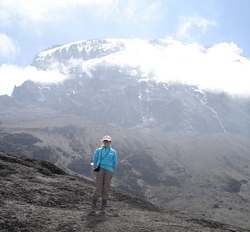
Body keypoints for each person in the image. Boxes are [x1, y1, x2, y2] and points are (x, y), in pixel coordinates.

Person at [90, 135, 118, 215]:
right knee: (98, 186)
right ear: (103, 142)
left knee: (106, 187)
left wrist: (112, 167)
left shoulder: (113, 152)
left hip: (109, 170)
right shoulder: (98, 150)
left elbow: (115, 161)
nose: (106, 142)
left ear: (110, 142)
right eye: (105, 141)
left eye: (107, 141)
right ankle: (93, 207)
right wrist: (96, 165)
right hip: (101, 169)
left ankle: (103, 208)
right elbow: (95, 158)